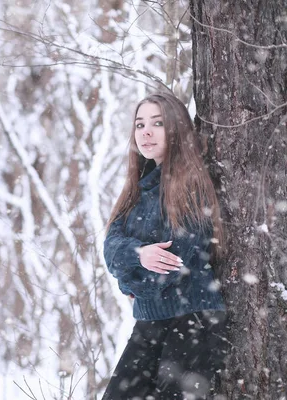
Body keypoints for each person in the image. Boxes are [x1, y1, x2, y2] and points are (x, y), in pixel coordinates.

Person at [101, 92, 229, 400]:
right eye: (140, 123)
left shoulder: (191, 184)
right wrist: (139, 255)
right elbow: (110, 247)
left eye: (157, 123)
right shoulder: (137, 188)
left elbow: (172, 264)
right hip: (150, 319)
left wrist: (129, 277)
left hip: (193, 319)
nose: (146, 131)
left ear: (175, 129)